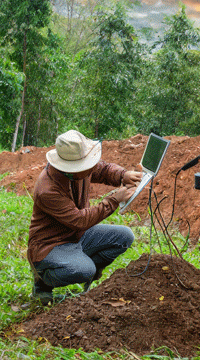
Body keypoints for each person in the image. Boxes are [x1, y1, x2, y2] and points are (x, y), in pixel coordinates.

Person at [27, 129, 142, 305]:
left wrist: (122, 175)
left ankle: (82, 266)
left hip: (76, 237)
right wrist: (114, 200)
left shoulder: (79, 168)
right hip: (50, 246)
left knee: (124, 236)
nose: (91, 168)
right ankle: (43, 279)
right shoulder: (47, 189)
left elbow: (102, 169)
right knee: (85, 269)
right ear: (71, 169)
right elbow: (80, 221)